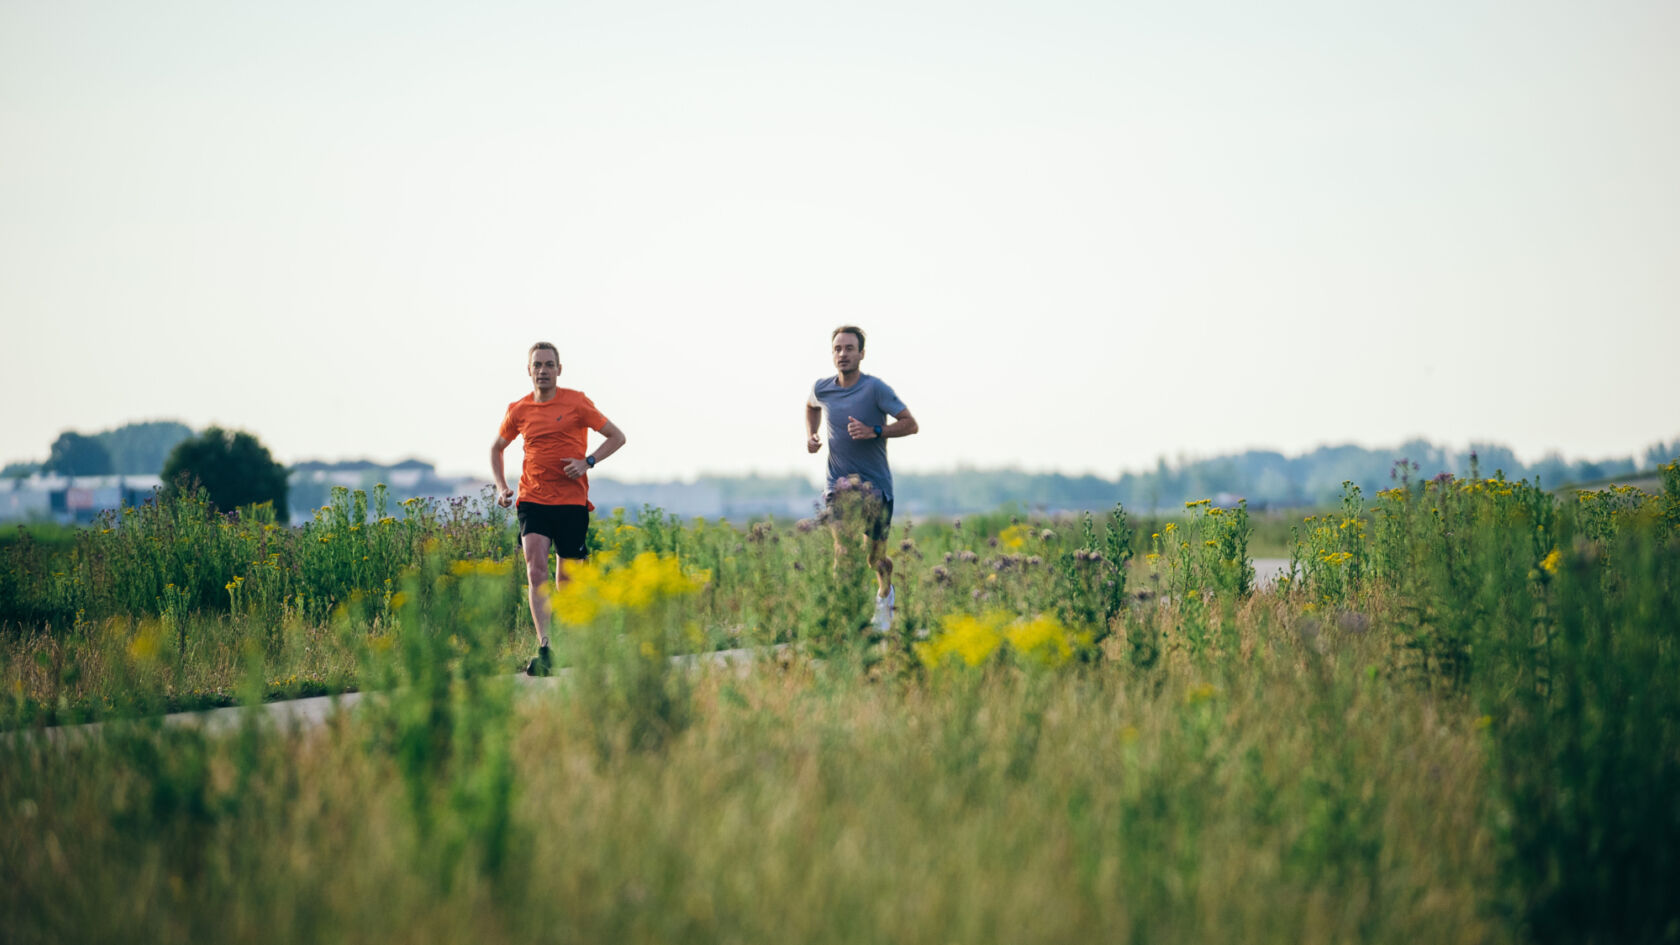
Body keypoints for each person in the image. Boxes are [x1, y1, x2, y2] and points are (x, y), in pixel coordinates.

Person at [492, 341, 627, 675]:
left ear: (559, 370)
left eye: (549, 365)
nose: (543, 371)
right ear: (529, 370)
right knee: (535, 569)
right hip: (533, 500)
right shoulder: (519, 409)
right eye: (537, 365)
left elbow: (617, 436)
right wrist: (502, 487)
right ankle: (546, 647)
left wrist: (588, 462)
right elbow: (497, 448)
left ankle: (576, 642)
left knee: (567, 580)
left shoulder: (577, 403)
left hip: (571, 503)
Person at [806, 325, 919, 632]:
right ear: (832, 354)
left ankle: (885, 595)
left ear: (861, 354)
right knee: (843, 551)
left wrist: (875, 431)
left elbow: (911, 424)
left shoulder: (875, 389)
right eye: (837, 349)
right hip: (838, 486)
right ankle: (845, 619)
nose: (843, 354)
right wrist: (812, 434)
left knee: (875, 559)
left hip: (875, 489)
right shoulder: (822, 388)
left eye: (849, 349)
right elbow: (811, 406)